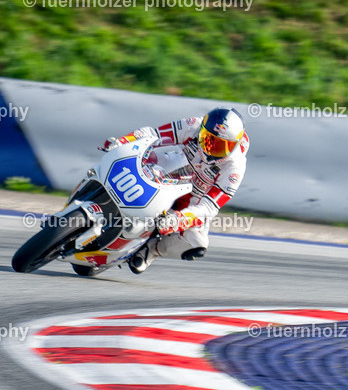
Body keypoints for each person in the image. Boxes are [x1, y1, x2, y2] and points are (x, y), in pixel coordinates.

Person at [101, 107, 249, 274]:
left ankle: (151, 249)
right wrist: (122, 142)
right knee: (139, 158)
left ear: (234, 146)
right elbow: (153, 134)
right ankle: (101, 187)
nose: (210, 149)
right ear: (202, 129)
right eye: (207, 139)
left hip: (195, 199)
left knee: (197, 243)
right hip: (174, 168)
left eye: (220, 147)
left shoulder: (235, 168)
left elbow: (209, 208)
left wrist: (179, 220)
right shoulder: (194, 124)